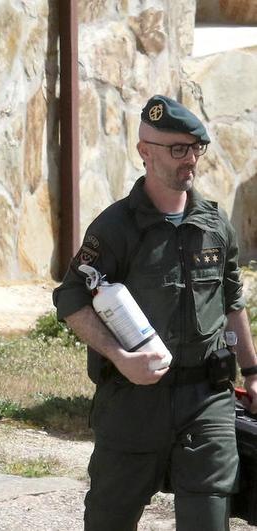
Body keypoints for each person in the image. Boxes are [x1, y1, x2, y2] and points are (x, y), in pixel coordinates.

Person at [53, 94, 257, 530]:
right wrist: (120, 357)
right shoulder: (115, 228)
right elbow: (71, 299)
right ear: (145, 151)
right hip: (134, 402)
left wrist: (253, 370)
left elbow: (231, 299)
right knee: (110, 517)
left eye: (196, 149)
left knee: (209, 519)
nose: (190, 161)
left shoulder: (214, 224)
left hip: (208, 400)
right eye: (177, 149)